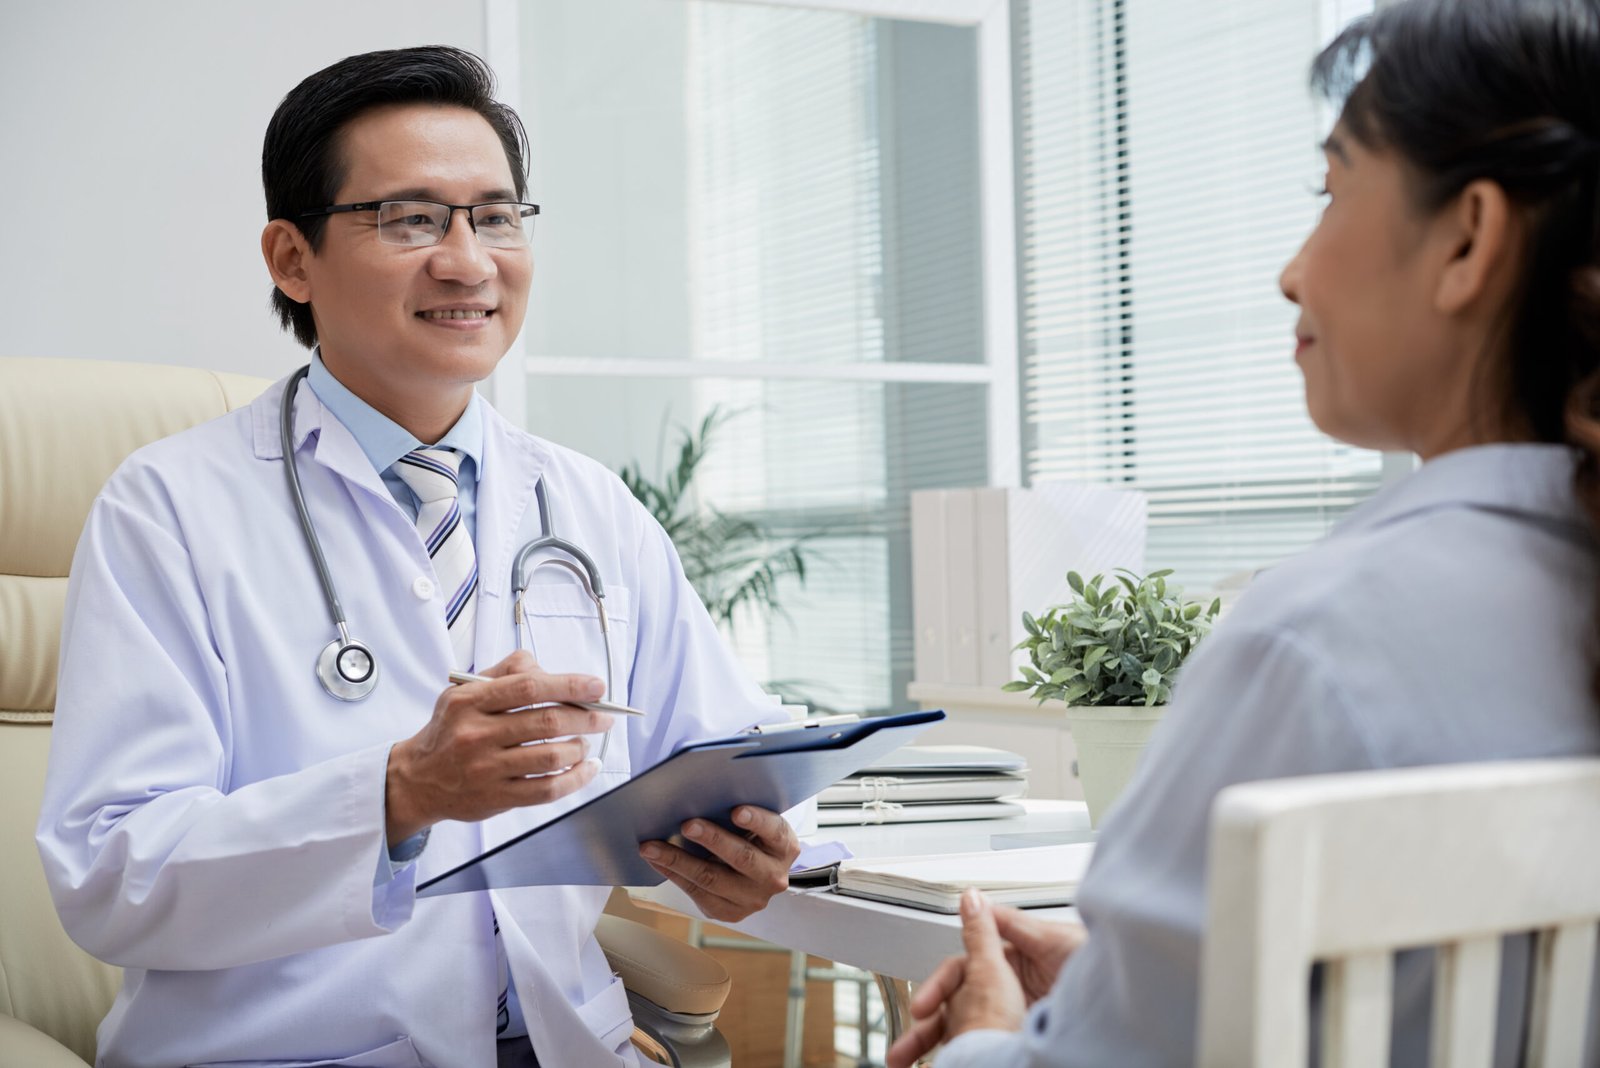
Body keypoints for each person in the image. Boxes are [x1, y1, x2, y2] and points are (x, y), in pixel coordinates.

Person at [36, 46, 799, 1068]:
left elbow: (722, 752)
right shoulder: (168, 506)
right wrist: (400, 794)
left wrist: (754, 846)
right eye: (411, 219)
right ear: (291, 258)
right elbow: (110, 873)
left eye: (495, 215)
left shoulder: (583, 505)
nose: (468, 260)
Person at [889, 0, 1600, 1065]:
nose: (1291, 272)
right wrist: (1144, 980)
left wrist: (996, 1036)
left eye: (1329, 195)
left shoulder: (1315, 645)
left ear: (1467, 238)